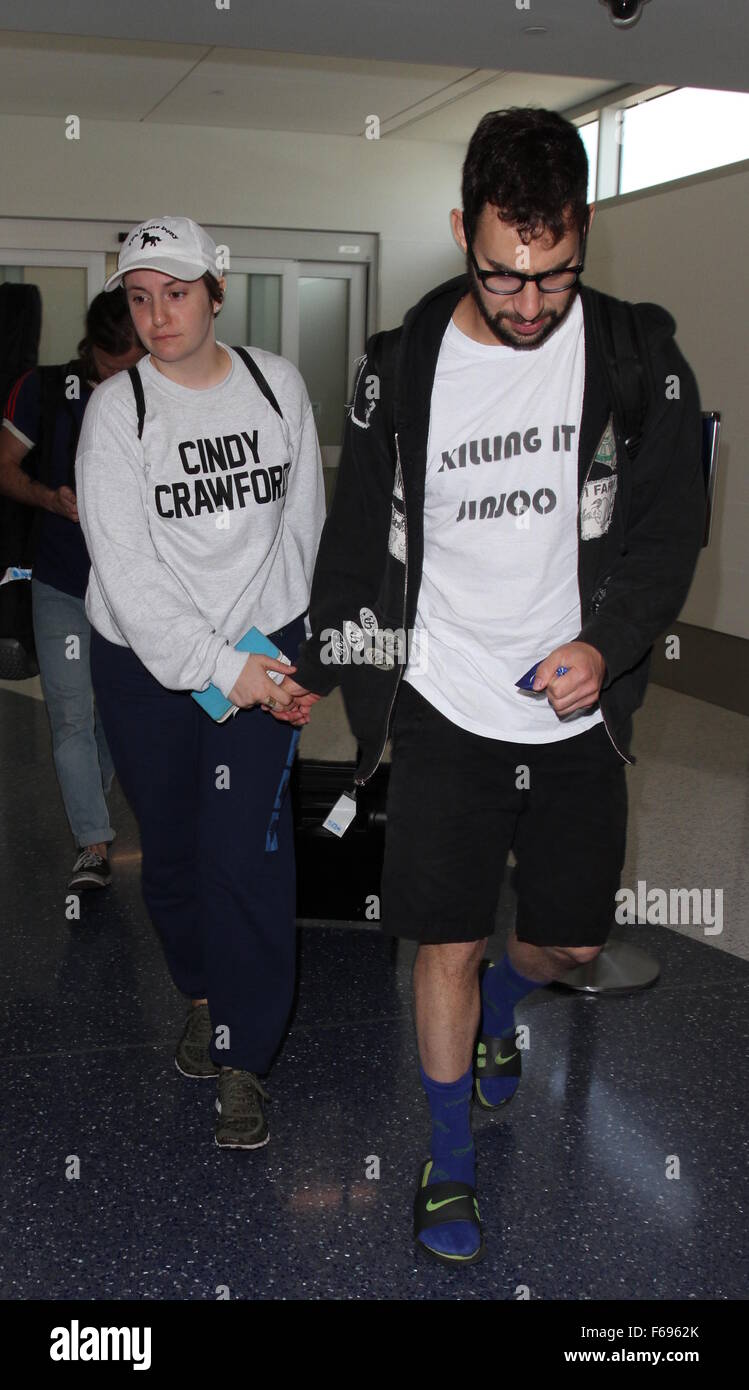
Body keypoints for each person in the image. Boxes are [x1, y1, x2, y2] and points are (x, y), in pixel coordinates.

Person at [280, 109, 706, 1263]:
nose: (528, 305)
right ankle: (446, 1157)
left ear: (581, 235)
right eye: (504, 276)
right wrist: (322, 664)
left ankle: (511, 1011)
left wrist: (609, 641)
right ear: (461, 229)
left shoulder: (633, 358)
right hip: (444, 702)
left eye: (554, 275)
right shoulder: (398, 370)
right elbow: (358, 546)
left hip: (573, 714)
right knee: (446, 942)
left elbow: (669, 525)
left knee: (566, 942)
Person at [75, 216, 325, 1149]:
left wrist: (264, 657)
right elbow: (130, 573)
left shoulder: (274, 385)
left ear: (216, 292)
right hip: (146, 668)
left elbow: (298, 525)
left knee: (248, 858)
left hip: (259, 652)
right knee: (175, 858)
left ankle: (242, 1057)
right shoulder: (118, 412)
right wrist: (219, 668)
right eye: (139, 299)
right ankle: (204, 994)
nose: (157, 315)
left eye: (175, 293)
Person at [0, 290, 144, 892]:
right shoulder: (43, 389)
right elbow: (5, 469)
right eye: (110, 365)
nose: (120, 374)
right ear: (90, 347)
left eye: (130, 363)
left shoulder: (158, 390)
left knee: (113, 716)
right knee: (70, 716)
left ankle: (94, 809)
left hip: (134, 592)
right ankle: (91, 842)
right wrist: (50, 499)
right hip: (61, 583)